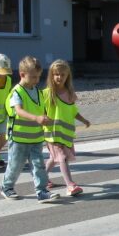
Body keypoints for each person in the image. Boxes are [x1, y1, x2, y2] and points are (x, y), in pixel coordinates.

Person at [0, 56, 59, 202]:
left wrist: (46, 120)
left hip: (36, 138)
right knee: (15, 165)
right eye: (33, 77)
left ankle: (42, 191)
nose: (36, 80)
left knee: (38, 165)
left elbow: (42, 111)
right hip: (19, 138)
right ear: (22, 74)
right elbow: (19, 111)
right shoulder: (17, 92)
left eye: (38, 77)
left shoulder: (38, 92)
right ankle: (7, 187)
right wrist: (36, 118)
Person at [42, 59, 91, 197]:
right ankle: (70, 185)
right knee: (62, 157)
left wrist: (83, 120)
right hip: (53, 133)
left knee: (54, 157)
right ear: (51, 75)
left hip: (66, 133)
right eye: (56, 74)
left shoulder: (69, 93)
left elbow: (73, 111)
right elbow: (40, 111)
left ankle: (42, 178)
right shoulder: (47, 93)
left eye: (62, 74)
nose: (59, 77)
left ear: (67, 76)